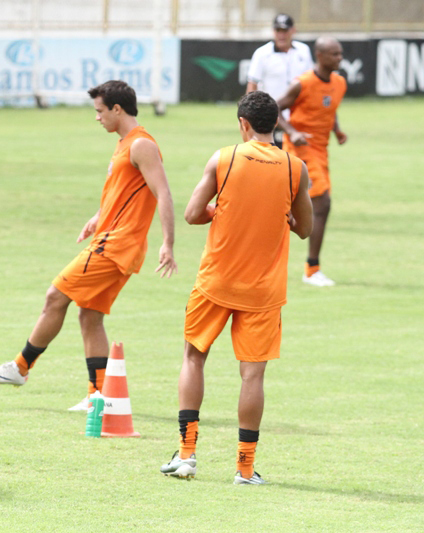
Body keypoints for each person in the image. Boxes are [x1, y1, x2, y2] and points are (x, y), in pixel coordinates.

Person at [0, 80, 177, 411]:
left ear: (117, 109)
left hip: (116, 245)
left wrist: (168, 243)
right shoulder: (125, 143)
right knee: (89, 316)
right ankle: (98, 396)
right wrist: (98, 215)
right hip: (113, 240)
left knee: (55, 296)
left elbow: (164, 194)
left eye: (99, 111)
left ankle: (20, 367)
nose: (96, 117)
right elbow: (127, 190)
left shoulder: (141, 145)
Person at [160, 91, 313, 485]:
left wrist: (218, 210)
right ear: (275, 123)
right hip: (263, 291)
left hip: (216, 281)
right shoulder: (296, 168)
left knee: (194, 358)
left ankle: (187, 455)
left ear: (243, 124)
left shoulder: (224, 158)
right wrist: (285, 220)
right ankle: (244, 468)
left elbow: (193, 213)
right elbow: (306, 228)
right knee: (253, 376)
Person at [277, 37, 348, 287]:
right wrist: (291, 131)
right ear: (320, 56)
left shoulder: (339, 83)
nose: (339, 58)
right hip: (300, 149)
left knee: (297, 206)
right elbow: (275, 108)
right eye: (334, 54)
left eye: (340, 54)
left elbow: (330, 107)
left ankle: (309, 266)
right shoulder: (303, 83)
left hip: (321, 151)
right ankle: (312, 269)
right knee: (322, 202)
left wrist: (337, 130)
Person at [245, 13, 313, 148]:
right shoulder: (262, 53)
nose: (281, 35)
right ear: (273, 31)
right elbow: (252, 85)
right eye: (278, 31)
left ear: (293, 30)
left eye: (285, 31)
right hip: (271, 116)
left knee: (298, 162)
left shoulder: (303, 51)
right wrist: (250, 115)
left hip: (298, 116)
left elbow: (311, 81)